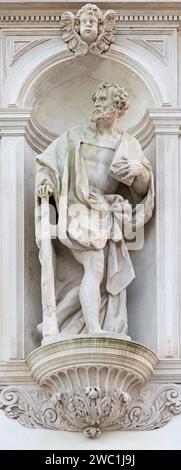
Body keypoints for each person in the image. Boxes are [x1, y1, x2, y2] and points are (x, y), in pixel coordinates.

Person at [35, 82, 154, 338]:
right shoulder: (74, 135)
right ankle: (94, 328)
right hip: (77, 206)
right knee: (95, 265)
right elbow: (47, 164)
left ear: (118, 107)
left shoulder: (128, 144)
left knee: (99, 273)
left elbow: (143, 190)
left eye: (103, 100)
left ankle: (63, 320)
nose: (97, 104)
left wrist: (139, 171)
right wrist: (45, 182)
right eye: (97, 99)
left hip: (105, 210)